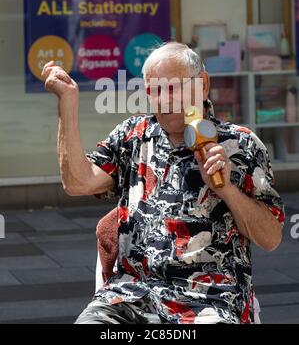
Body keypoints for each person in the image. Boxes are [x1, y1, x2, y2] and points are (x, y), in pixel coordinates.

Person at [42, 42, 285, 324]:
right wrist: (67, 103)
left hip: (210, 300)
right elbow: (77, 182)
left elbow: (271, 238)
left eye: (174, 87)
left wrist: (226, 189)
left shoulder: (240, 144)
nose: (164, 99)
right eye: (154, 90)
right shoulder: (133, 136)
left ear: (202, 85)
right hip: (131, 296)